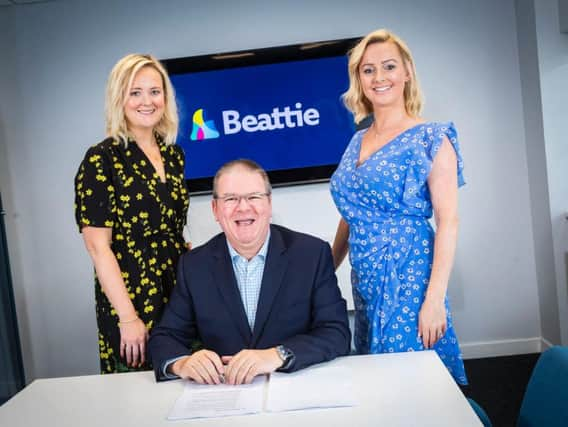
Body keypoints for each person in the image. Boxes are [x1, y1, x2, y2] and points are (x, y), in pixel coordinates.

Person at [330, 29, 467, 384]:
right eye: (368, 70)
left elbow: (448, 220)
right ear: (359, 80)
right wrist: (327, 267)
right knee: (375, 376)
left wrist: (434, 299)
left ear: (407, 72)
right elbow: (352, 213)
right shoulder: (357, 139)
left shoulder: (432, 137)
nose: (379, 77)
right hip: (366, 276)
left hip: (408, 271)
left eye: (389, 66)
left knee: (408, 378)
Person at [148, 159, 351, 384]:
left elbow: (336, 332)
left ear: (269, 204)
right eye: (231, 199)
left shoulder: (311, 254)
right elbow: (165, 336)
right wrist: (183, 363)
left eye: (254, 196)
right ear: (215, 209)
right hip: (226, 398)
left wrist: (278, 355)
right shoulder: (194, 265)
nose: (243, 207)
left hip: (297, 388)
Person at [74, 54, 190, 373]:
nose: (147, 101)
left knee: (189, 379)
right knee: (140, 390)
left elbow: (173, 229)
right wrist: (128, 316)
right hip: (133, 293)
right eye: (135, 92)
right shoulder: (101, 160)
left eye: (155, 91)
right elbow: (98, 247)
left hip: (179, 288)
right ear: (119, 98)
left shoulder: (173, 155)